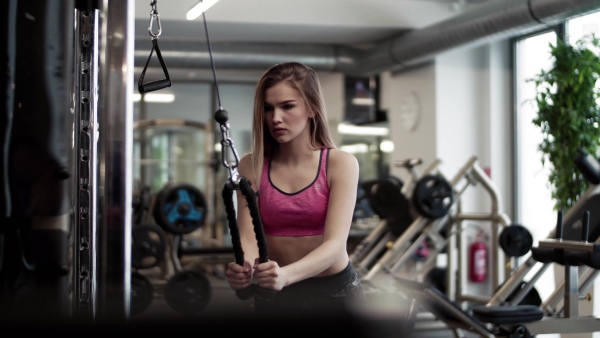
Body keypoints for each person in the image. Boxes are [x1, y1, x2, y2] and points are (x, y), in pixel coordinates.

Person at [224, 61, 365, 313]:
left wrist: (286, 275)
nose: (275, 118)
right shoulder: (251, 165)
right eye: (268, 109)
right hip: (276, 294)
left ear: (311, 108)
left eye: (287, 106)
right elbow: (248, 235)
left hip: (333, 293)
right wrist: (244, 267)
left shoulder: (340, 164)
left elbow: (334, 246)